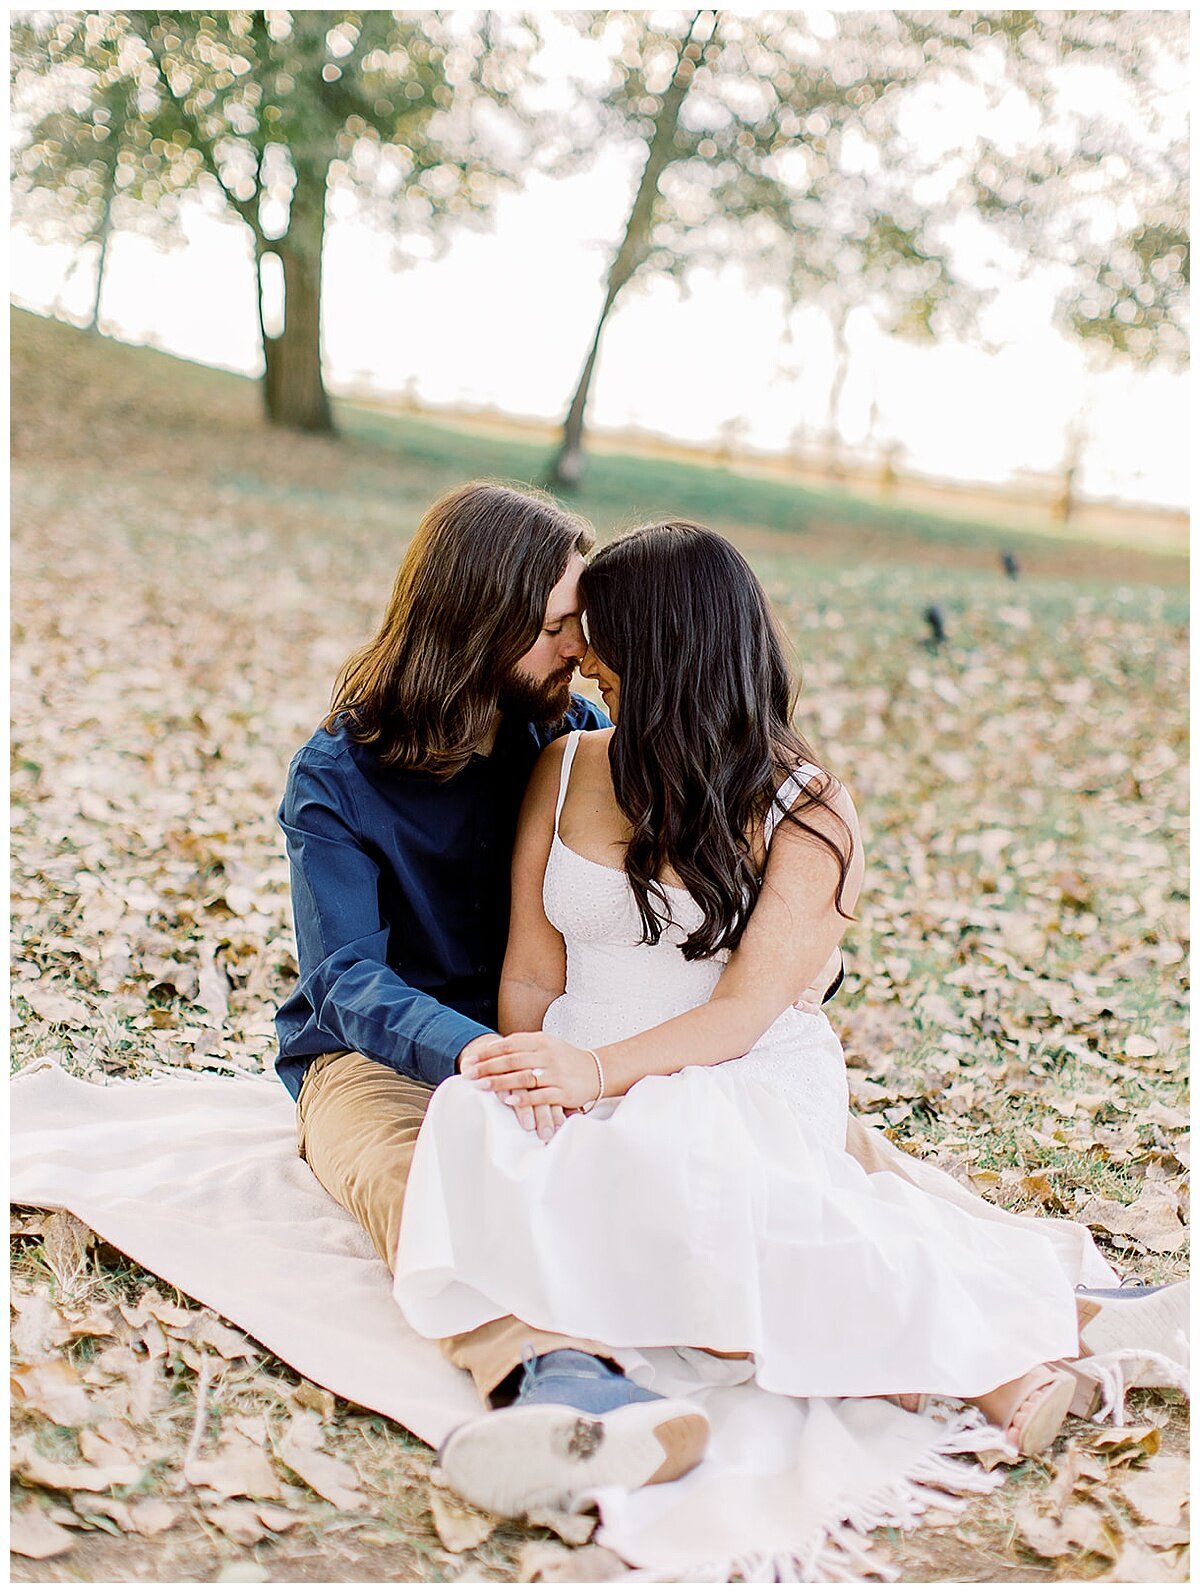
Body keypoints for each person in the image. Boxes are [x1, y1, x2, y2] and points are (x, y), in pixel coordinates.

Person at [393, 522, 1185, 1520]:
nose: (582, 658)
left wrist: (594, 1076)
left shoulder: (809, 811)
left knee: (680, 1161)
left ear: (668, 649)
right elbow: (528, 969)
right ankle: (964, 1344)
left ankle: (999, 1348)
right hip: (577, 1060)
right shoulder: (563, 767)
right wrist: (534, 1071)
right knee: (471, 1121)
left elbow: (739, 1014)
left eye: (600, 636)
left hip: (737, 1070)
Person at [275, 485, 844, 1505]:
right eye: (553, 629)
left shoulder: (574, 733)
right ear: (476, 626)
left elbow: (706, 889)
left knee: (782, 1125)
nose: (579, 651)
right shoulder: (340, 774)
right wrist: (479, 1055)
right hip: (384, 1050)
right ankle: (560, 1374)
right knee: (418, 1169)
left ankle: (1012, 1290)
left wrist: (798, 968)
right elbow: (345, 978)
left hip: (572, 1041)